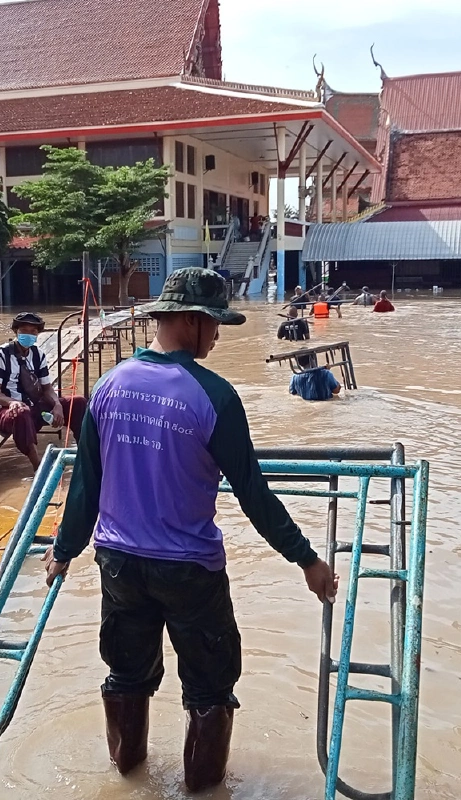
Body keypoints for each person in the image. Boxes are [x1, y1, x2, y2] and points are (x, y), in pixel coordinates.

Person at [44, 268, 337, 792]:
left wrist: (63, 551)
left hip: (118, 564)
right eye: (214, 323)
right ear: (187, 321)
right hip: (189, 570)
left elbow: (85, 483)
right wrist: (307, 559)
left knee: (126, 676)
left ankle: (126, 780)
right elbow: (253, 493)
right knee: (209, 691)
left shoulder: (108, 386)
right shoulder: (214, 396)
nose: (219, 335)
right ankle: (203, 791)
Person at [0, 312, 86, 469]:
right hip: (8, 412)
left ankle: (84, 452)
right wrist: (12, 402)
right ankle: (38, 465)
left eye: (33, 332)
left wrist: (57, 405)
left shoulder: (37, 354)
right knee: (21, 411)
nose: (29, 335)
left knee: (78, 402)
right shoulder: (0, 354)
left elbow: (47, 388)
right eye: (24, 330)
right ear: (16, 331)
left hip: (35, 407)